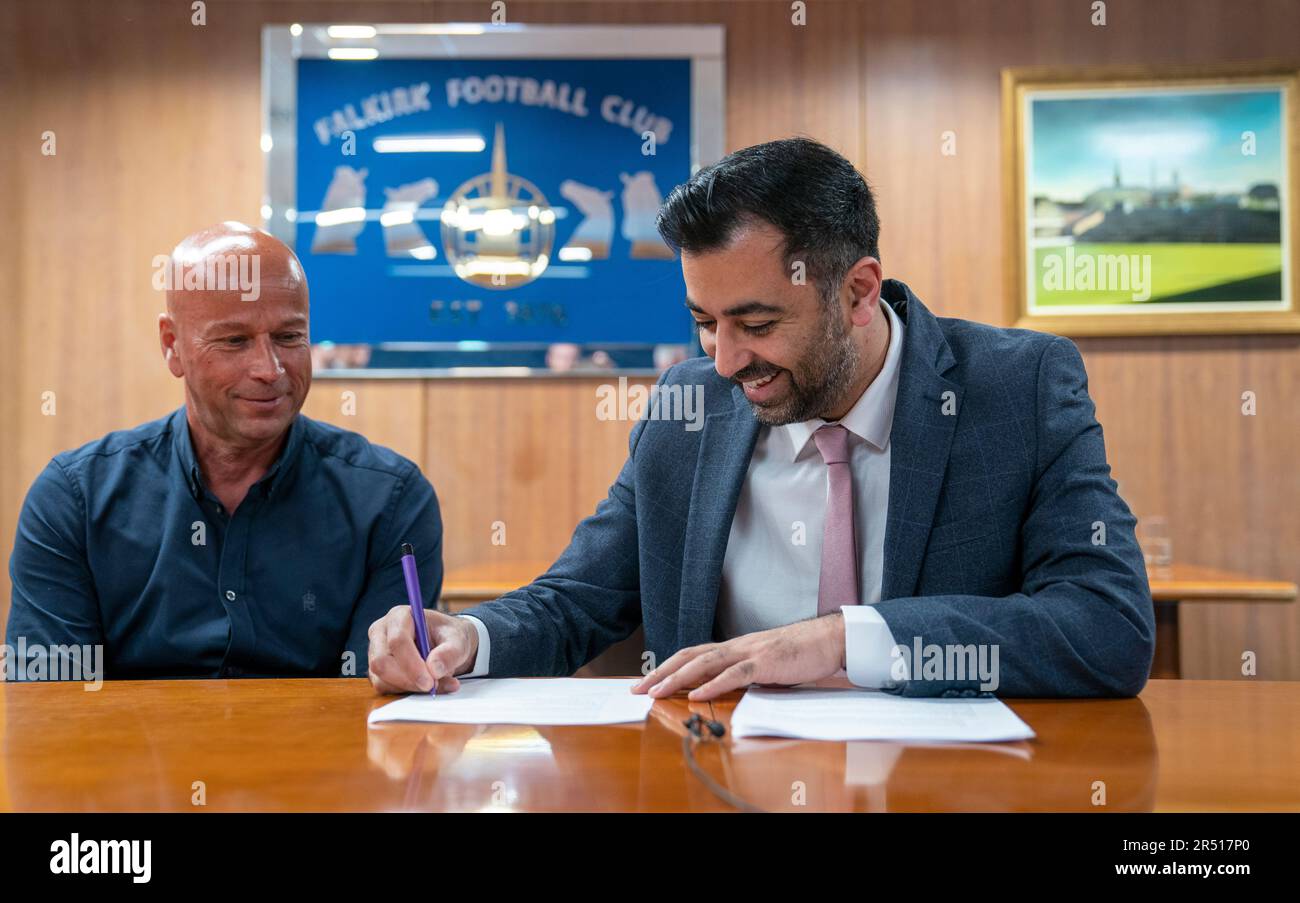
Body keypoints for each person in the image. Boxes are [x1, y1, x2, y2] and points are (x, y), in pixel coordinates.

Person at [366, 137, 1153, 700]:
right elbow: (579, 597)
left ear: (857, 292)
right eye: (704, 322)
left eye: (756, 322)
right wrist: (470, 639)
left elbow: (1106, 629)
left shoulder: (1017, 387)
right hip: (715, 785)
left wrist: (845, 637)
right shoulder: (689, 408)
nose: (726, 359)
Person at [6, 222, 441, 680]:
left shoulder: (390, 502)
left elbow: (378, 704)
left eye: (289, 337)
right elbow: (47, 702)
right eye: (234, 341)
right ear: (172, 346)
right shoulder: (76, 499)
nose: (269, 369)